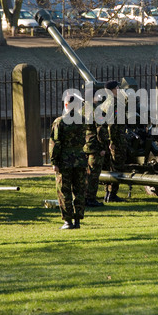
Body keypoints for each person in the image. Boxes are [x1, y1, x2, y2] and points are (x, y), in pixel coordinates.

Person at [49, 96, 87, 229]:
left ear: (66, 105)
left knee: (64, 191)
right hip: (80, 159)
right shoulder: (82, 120)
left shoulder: (60, 122)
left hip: (65, 160)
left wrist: (54, 161)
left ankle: (68, 221)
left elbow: (55, 143)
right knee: (79, 190)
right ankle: (78, 220)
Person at [102, 80, 127, 202]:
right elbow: (112, 124)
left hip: (110, 140)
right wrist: (113, 141)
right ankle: (112, 194)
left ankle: (108, 193)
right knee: (117, 167)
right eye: (118, 87)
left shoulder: (106, 103)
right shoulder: (116, 103)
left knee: (110, 166)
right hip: (117, 141)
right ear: (113, 89)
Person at [83, 93, 108, 207]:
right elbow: (100, 130)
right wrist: (103, 147)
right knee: (93, 174)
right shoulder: (96, 111)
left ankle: (84, 197)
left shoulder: (82, 109)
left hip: (86, 145)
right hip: (95, 147)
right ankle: (90, 199)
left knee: (86, 173)